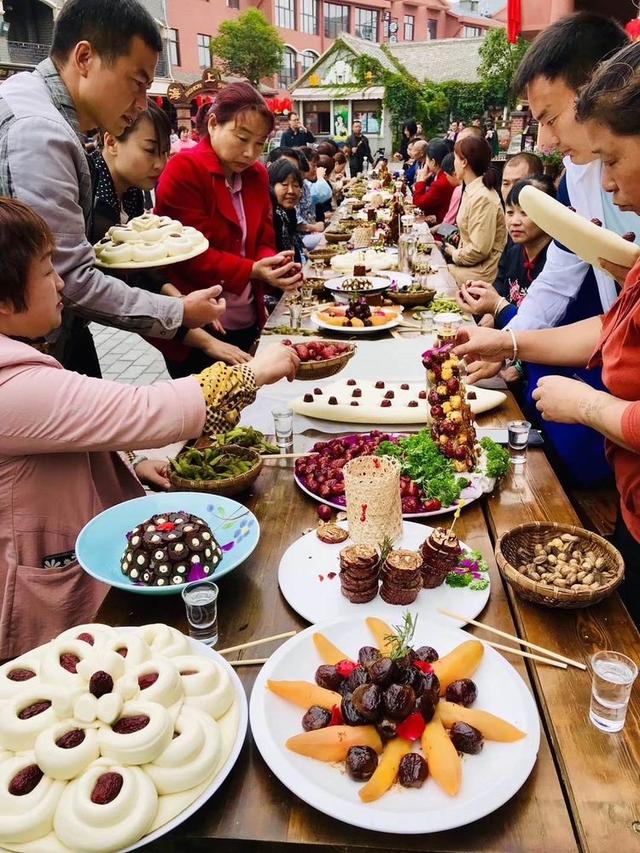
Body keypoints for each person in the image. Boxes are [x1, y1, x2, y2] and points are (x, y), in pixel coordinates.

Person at [0, 196, 300, 658]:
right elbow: (141, 409)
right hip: (46, 603)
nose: (61, 282)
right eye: (46, 271)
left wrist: (129, 465)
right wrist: (254, 372)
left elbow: (67, 434)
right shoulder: (12, 387)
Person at [453, 43, 640, 625]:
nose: (607, 185)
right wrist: (506, 343)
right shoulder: (583, 182)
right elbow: (608, 323)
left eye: (551, 118)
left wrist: (587, 404)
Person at [0, 0, 224, 376]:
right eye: (136, 84)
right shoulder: (39, 132)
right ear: (84, 57)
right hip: (26, 360)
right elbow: (66, 279)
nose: (140, 105)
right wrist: (179, 311)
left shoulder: (30, 100)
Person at [91, 100, 250, 374]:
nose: (160, 164)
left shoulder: (130, 192)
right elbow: (117, 292)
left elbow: (139, 265)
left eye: (164, 153)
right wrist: (199, 334)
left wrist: (178, 301)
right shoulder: (91, 195)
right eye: (150, 150)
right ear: (111, 141)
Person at [155, 82, 303, 365]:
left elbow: (263, 237)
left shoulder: (257, 173)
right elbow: (190, 254)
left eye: (259, 143)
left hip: (247, 315)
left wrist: (271, 265)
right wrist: (254, 270)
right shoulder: (184, 170)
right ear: (213, 124)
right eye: (242, 137)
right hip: (201, 326)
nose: (249, 153)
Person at [457, 175, 555, 329]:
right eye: (510, 213)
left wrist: (495, 308)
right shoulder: (514, 251)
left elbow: (536, 328)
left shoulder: (557, 263)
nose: (514, 221)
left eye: (525, 213)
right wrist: (481, 297)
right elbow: (500, 285)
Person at [443, 136, 506, 287]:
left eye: (456, 159)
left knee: (434, 276)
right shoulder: (471, 190)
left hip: (481, 273)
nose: (454, 163)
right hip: (469, 266)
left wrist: (453, 253)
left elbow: (479, 250)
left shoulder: (482, 197)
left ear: (464, 162)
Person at [268, 158, 303, 262]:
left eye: (296, 185)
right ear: (271, 186)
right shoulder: (270, 215)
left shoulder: (289, 213)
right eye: (284, 185)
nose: (291, 191)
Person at [413, 139, 455, 223]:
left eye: (427, 160)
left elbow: (419, 203)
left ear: (433, 162)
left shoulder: (441, 181)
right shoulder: (440, 175)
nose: (426, 163)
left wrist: (421, 181)